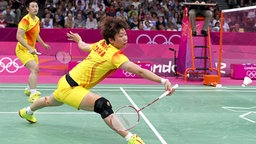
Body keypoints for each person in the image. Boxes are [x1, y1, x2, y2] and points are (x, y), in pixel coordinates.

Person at [18, 16, 175, 144]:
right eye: (121, 36)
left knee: (48, 100)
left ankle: (27, 112)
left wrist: (78, 40)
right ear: (111, 40)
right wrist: (163, 81)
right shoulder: (115, 55)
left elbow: (83, 46)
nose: (125, 38)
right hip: (72, 88)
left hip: (66, 82)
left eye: (125, 34)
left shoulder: (101, 43)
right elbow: (139, 70)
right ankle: (131, 139)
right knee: (103, 105)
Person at [16, 0, 50, 103]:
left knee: (35, 69)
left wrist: (43, 44)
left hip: (31, 49)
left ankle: (28, 88)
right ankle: (33, 94)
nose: (35, 8)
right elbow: (18, 36)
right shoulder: (25, 21)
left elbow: (36, 34)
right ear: (27, 9)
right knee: (34, 68)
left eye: (36, 6)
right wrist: (29, 48)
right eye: (32, 6)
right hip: (23, 49)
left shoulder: (37, 19)